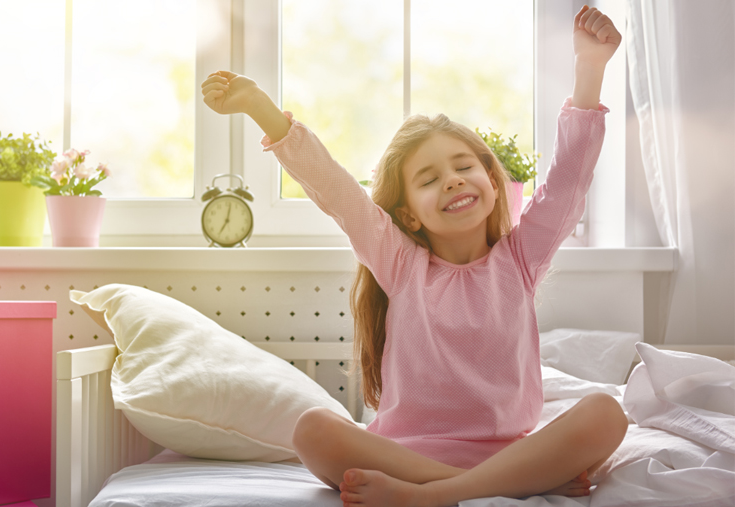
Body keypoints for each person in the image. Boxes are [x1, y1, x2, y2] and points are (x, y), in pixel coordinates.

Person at [201, 5, 627, 507]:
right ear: (408, 217)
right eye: (428, 179)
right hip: (404, 455)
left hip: (505, 454)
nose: (452, 179)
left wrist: (590, 68)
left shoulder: (519, 259)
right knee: (313, 429)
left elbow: (568, 182)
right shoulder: (402, 265)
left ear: (492, 183)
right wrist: (260, 108)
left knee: (607, 412)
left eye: (464, 166)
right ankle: (488, 485)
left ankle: (435, 495)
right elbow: (337, 193)